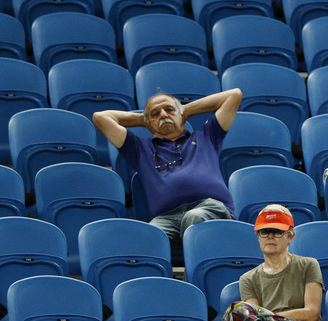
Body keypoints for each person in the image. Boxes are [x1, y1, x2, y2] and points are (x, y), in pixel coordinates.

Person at [92, 88, 242, 239]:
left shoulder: (207, 136)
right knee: (149, 235)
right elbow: (100, 117)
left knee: (195, 216)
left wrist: (186, 110)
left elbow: (233, 95)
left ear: (182, 115)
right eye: (155, 114)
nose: (163, 115)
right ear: (149, 124)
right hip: (167, 218)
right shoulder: (139, 149)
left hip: (209, 208)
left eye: (169, 110)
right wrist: (143, 120)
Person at [237, 205, 324, 321]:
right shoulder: (247, 279)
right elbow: (256, 319)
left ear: (291, 236)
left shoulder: (308, 265)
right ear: (258, 236)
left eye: (277, 231)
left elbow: (312, 313)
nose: (270, 236)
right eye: (264, 231)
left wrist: (268, 316)